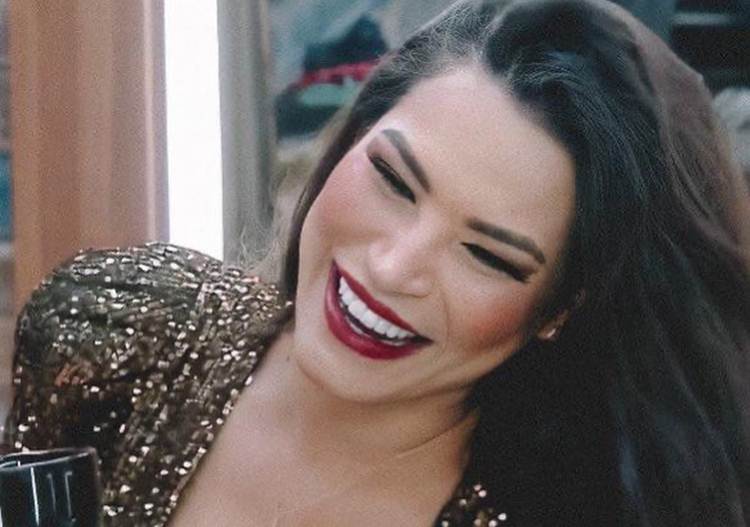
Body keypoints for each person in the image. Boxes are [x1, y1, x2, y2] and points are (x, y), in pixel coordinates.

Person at [5, 0, 750, 525]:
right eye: (393, 180)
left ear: (560, 307)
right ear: (350, 140)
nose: (394, 267)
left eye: (487, 255)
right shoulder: (115, 340)